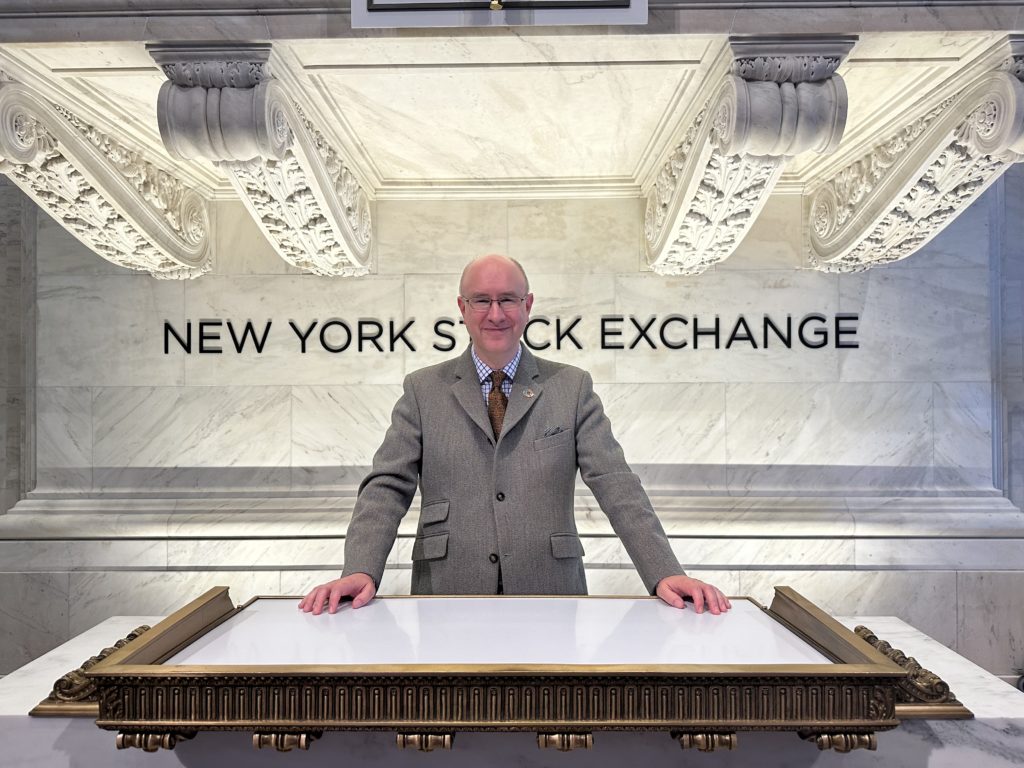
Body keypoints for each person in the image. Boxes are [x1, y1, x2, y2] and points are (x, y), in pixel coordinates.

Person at [299, 254, 731, 616]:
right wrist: (359, 569)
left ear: (527, 305)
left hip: (550, 589)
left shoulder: (571, 387)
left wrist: (664, 571)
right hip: (448, 590)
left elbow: (616, 482)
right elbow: (387, 487)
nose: (495, 313)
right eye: (481, 300)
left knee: (552, 714)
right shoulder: (423, 389)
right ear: (462, 307)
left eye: (507, 299)